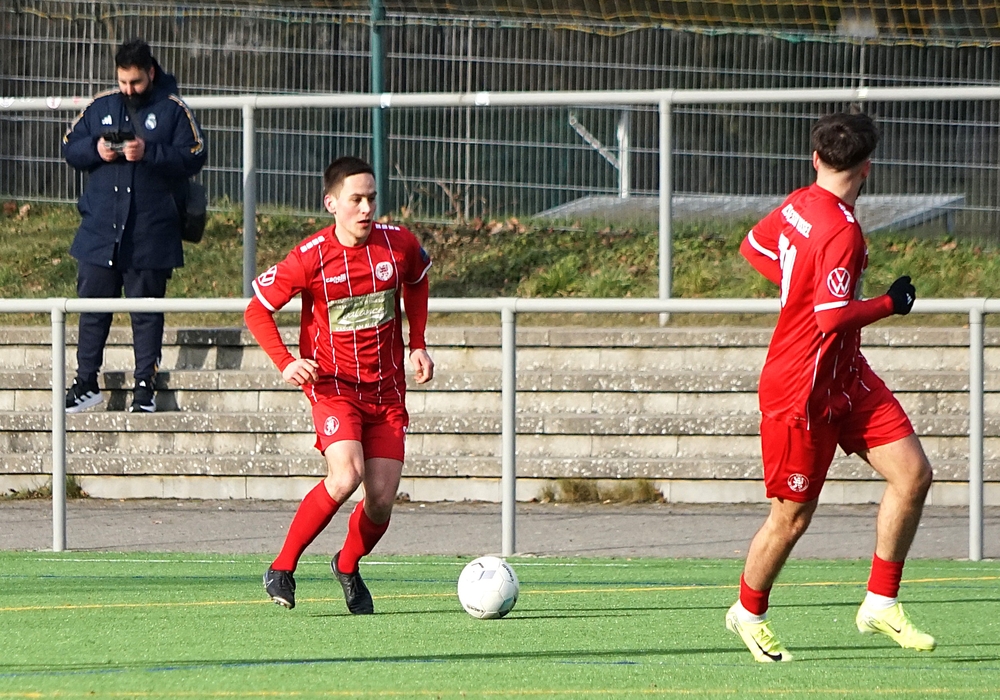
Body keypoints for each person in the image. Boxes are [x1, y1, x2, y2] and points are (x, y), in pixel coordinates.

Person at [727, 111, 935, 662]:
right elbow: (831, 317)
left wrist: (798, 288)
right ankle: (747, 611)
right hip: (801, 388)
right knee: (791, 518)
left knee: (912, 474)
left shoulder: (799, 202)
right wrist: (889, 303)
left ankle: (880, 603)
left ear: (815, 158)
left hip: (847, 375)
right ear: (868, 167)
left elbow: (754, 247)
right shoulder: (842, 231)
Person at [245, 156, 433, 614]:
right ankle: (282, 568)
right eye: (356, 199)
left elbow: (417, 281)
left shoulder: (399, 244)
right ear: (332, 203)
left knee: (381, 500)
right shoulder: (309, 257)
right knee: (346, 475)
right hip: (334, 386)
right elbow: (257, 310)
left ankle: (347, 565)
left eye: (372, 198)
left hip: (387, 391)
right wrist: (286, 362)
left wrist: (418, 344)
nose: (366, 208)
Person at [62, 38, 206, 414]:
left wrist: (150, 152)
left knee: (146, 313)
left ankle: (145, 386)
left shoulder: (173, 109)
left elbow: (195, 154)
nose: (128, 89)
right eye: (123, 81)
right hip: (100, 231)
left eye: (136, 82)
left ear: (151, 73)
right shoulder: (101, 105)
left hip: (150, 232)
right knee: (92, 309)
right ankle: (86, 383)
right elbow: (69, 146)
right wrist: (96, 149)